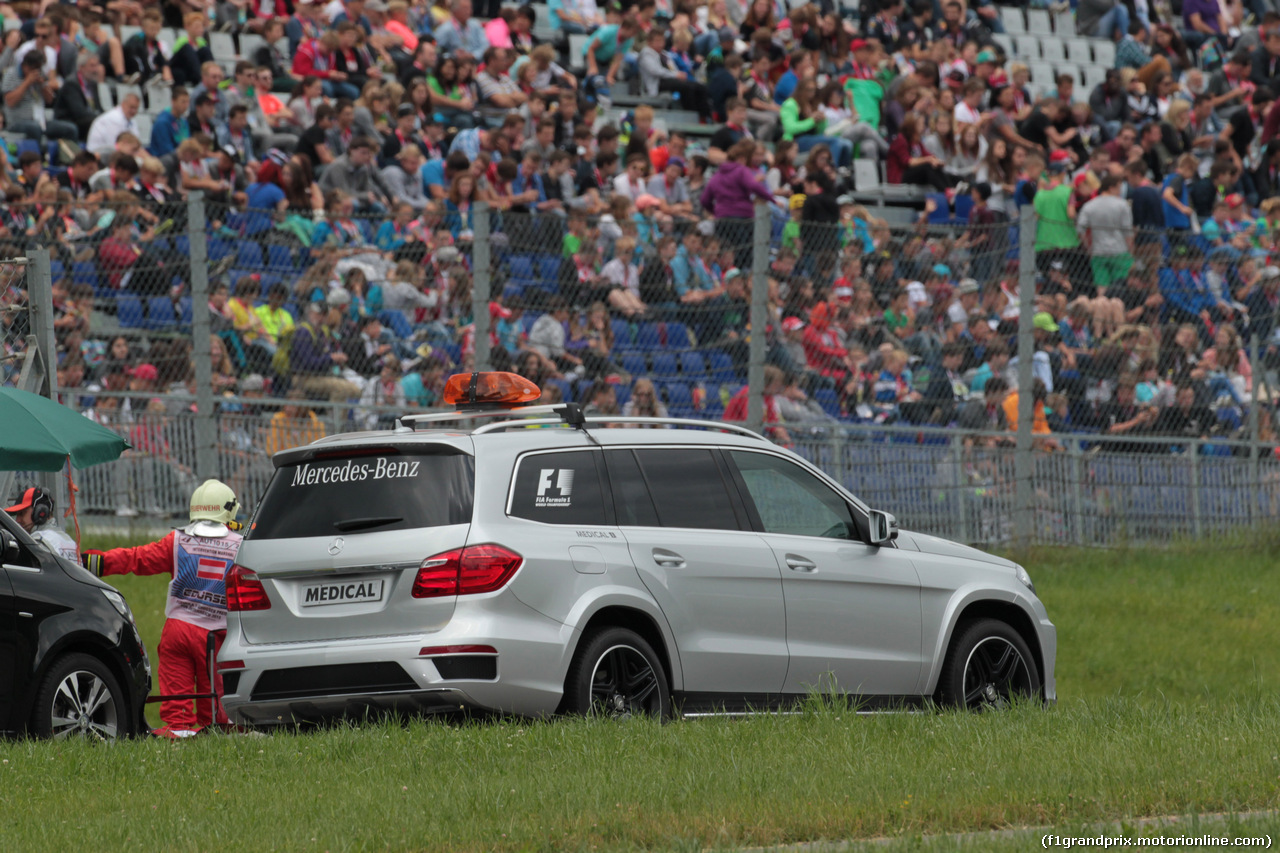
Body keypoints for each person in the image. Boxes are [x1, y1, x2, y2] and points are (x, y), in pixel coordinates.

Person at [81, 480, 244, 738]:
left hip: (177, 632)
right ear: (229, 511)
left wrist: (97, 562)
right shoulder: (241, 546)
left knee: (176, 710)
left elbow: (138, 558)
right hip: (216, 638)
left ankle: (177, 741)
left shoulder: (177, 540)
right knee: (218, 714)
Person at [4, 486, 78, 562]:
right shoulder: (70, 542)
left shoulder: (38, 542)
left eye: (22, 513)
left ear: (40, 513)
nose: (17, 520)